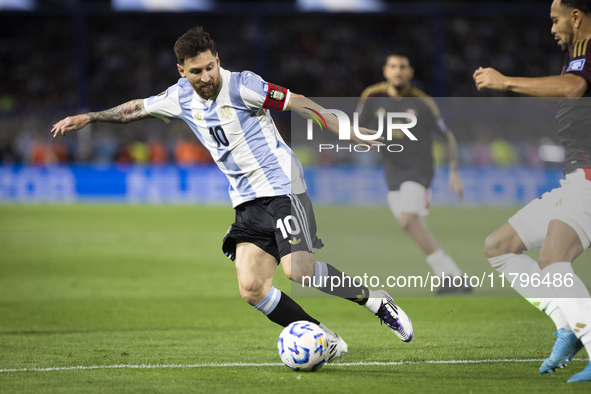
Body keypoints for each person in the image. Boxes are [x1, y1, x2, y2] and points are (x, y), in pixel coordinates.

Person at [50, 26, 414, 363]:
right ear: (181, 71)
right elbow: (136, 109)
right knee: (252, 288)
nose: (206, 77)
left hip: (282, 186)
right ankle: (323, 338)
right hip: (246, 200)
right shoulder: (178, 97)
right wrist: (91, 117)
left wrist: (348, 131)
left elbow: (302, 103)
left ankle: (378, 303)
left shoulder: (244, 85)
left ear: (218, 60)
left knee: (298, 271)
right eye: (196, 72)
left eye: (210, 67)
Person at [474, 0, 591, 383]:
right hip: (574, 179)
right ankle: (568, 327)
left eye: (556, 20)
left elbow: (573, 89)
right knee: (499, 246)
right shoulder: (576, 56)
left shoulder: (587, 56)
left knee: (553, 259)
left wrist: (506, 81)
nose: (552, 28)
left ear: (576, 17)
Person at [357, 54, 469, 294]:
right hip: (391, 171)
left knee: (408, 219)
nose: (398, 71)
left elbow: (447, 136)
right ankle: (453, 276)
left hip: (419, 169)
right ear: (385, 71)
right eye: (393, 66)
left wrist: (454, 171)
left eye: (403, 67)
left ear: (411, 72)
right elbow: (356, 127)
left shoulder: (422, 102)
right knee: (411, 225)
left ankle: (452, 276)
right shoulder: (372, 97)